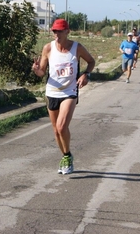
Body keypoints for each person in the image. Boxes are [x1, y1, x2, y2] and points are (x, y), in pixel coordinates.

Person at [32, 19, 95, 175]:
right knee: (56, 131)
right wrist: (36, 70)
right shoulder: (48, 48)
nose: (56, 34)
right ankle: (65, 155)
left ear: (67, 31)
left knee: (61, 127)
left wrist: (85, 75)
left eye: (60, 31)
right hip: (52, 92)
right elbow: (42, 73)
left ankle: (67, 156)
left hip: (69, 92)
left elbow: (91, 61)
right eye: (54, 31)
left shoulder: (77, 48)